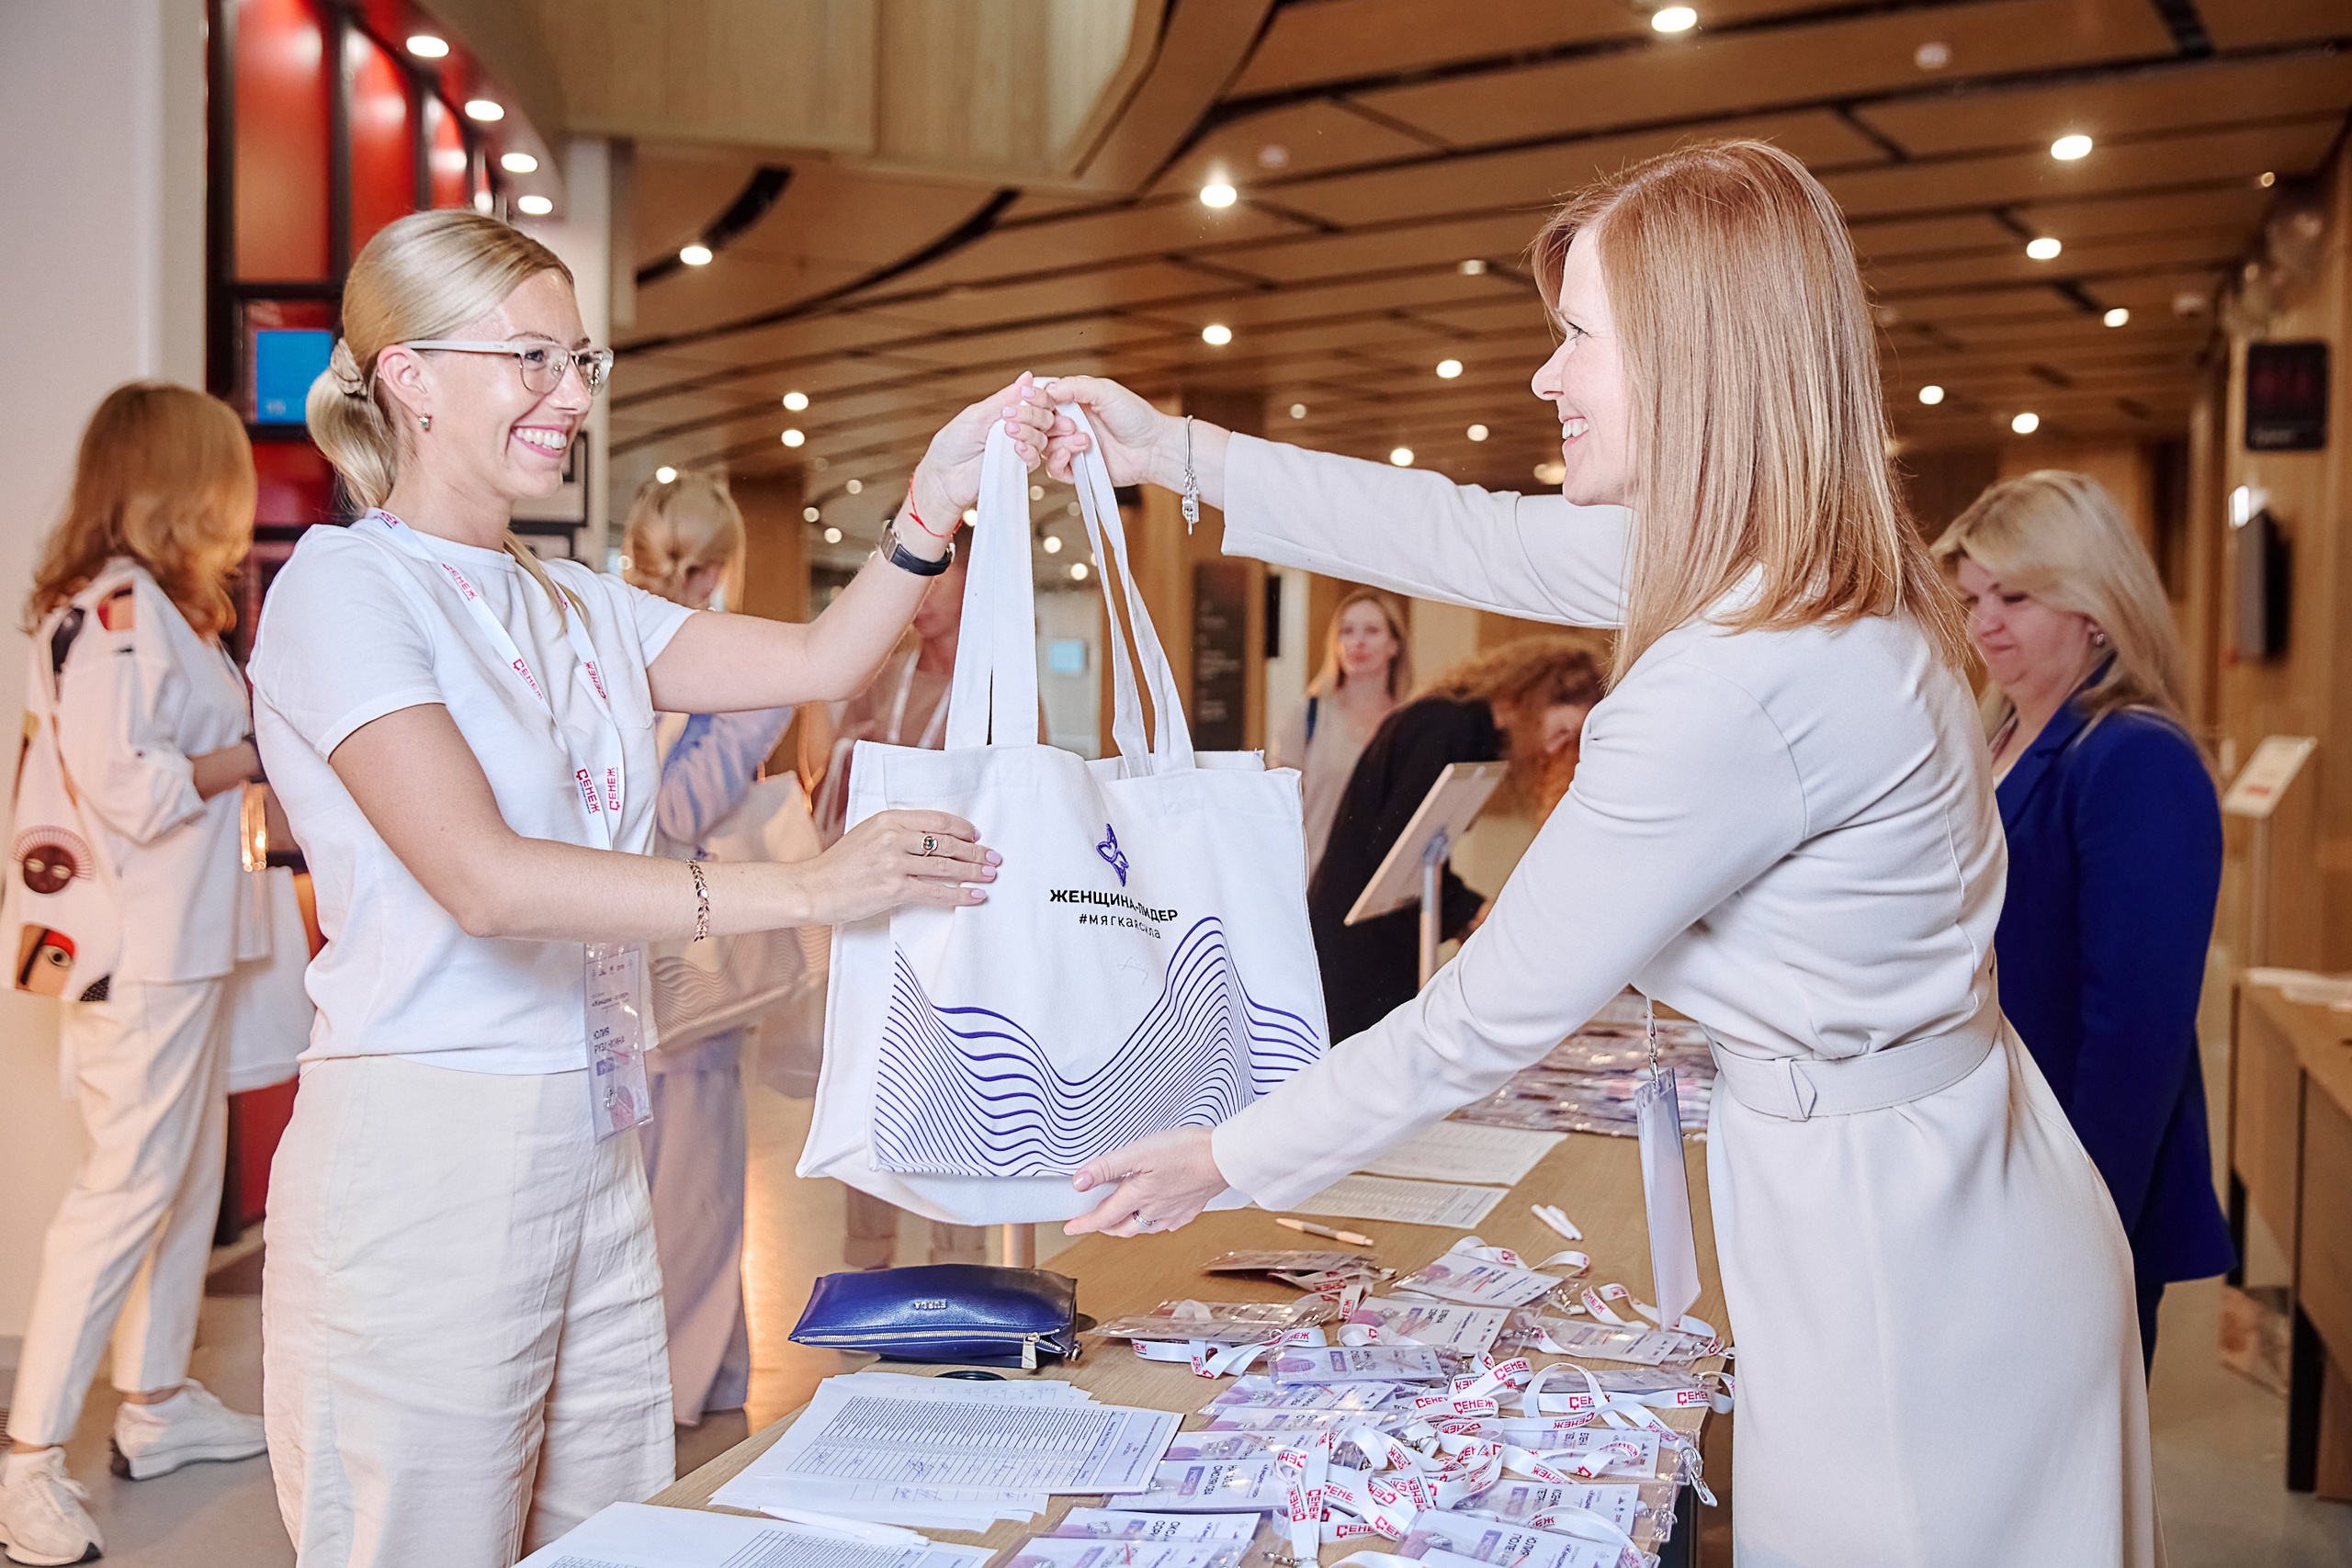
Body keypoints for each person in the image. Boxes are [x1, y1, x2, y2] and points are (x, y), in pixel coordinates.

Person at [1044, 140, 2156, 1566]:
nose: (1545, 377)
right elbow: (1468, 537)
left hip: (1903, 1259)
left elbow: (1487, 1012)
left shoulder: (1738, 674)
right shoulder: (1799, 563)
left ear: (1700, 361)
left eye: (1577, 338)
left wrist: (1224, 1151)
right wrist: (1175, 453)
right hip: (1951, 1182)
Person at [249, 209, 1049, 1567]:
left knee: (608, 1535)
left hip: (594, 1128)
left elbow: (819, 655)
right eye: (531, 358)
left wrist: (933, 491)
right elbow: (487, 882)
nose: (571, 395)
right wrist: (808, 891)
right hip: (425, 1145)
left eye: (582, 360)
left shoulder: (572, 601)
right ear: (408, 375)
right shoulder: (345, 593)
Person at [0, 384, 272, 1566]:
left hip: (189, 944)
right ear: (178, 482)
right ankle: (25, 1464)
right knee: (122, 1197)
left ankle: (154, 1405)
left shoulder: (158, 610)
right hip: (145, 954)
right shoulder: (114, 614)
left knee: (175, 1183)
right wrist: (253, 757)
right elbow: (137, 788)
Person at [1936, 470, 2234, 1369]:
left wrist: (2081, 1222)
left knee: (2063, 1474)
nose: (1986, 622)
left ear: (2096, 605)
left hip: (2068, 1174)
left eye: (2016, 596)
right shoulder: (1996, 737)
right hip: (1984, 1156)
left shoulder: (2134, 756)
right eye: (1973, 597)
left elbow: (2134, 1030)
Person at [619, 471, 791, 1427]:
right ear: (718, 566)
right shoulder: (714, 663)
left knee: (663, 1181)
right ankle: (677, 1384)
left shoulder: (595, 639)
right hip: (685, 952)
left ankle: (717, 1370)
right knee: (691, 1186)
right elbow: (681, 809)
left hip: (611, 946)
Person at [797, 528, 989, 1269]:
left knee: (955, 1093)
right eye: (922, 576)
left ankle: (961, 1271)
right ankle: (868, 1272)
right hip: (879, 910)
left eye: (944, 577)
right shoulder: (889, 672)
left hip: (954, 918)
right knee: (871, 1084)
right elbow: (837, 773)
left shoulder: (996, 683)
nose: (926, 594)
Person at [1308, 638, 1600, 1039]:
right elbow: (1400, 846)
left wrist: (1468, 913)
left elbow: (1426, 851)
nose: (1554, 747)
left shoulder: (1475, 734)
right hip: (1358, 939)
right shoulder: (1448, 724)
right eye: (1562, 729)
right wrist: (1473, 912)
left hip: (1382, 934)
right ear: (1534, 699)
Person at [1268, 589, 1410, 877]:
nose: (1358, 641)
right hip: (1314, 881)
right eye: (1346, 631)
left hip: (1382, 890)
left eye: (1372, 631)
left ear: (1394, 645)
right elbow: (1277, 813)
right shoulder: (1305, 716)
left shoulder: (1408, 723)